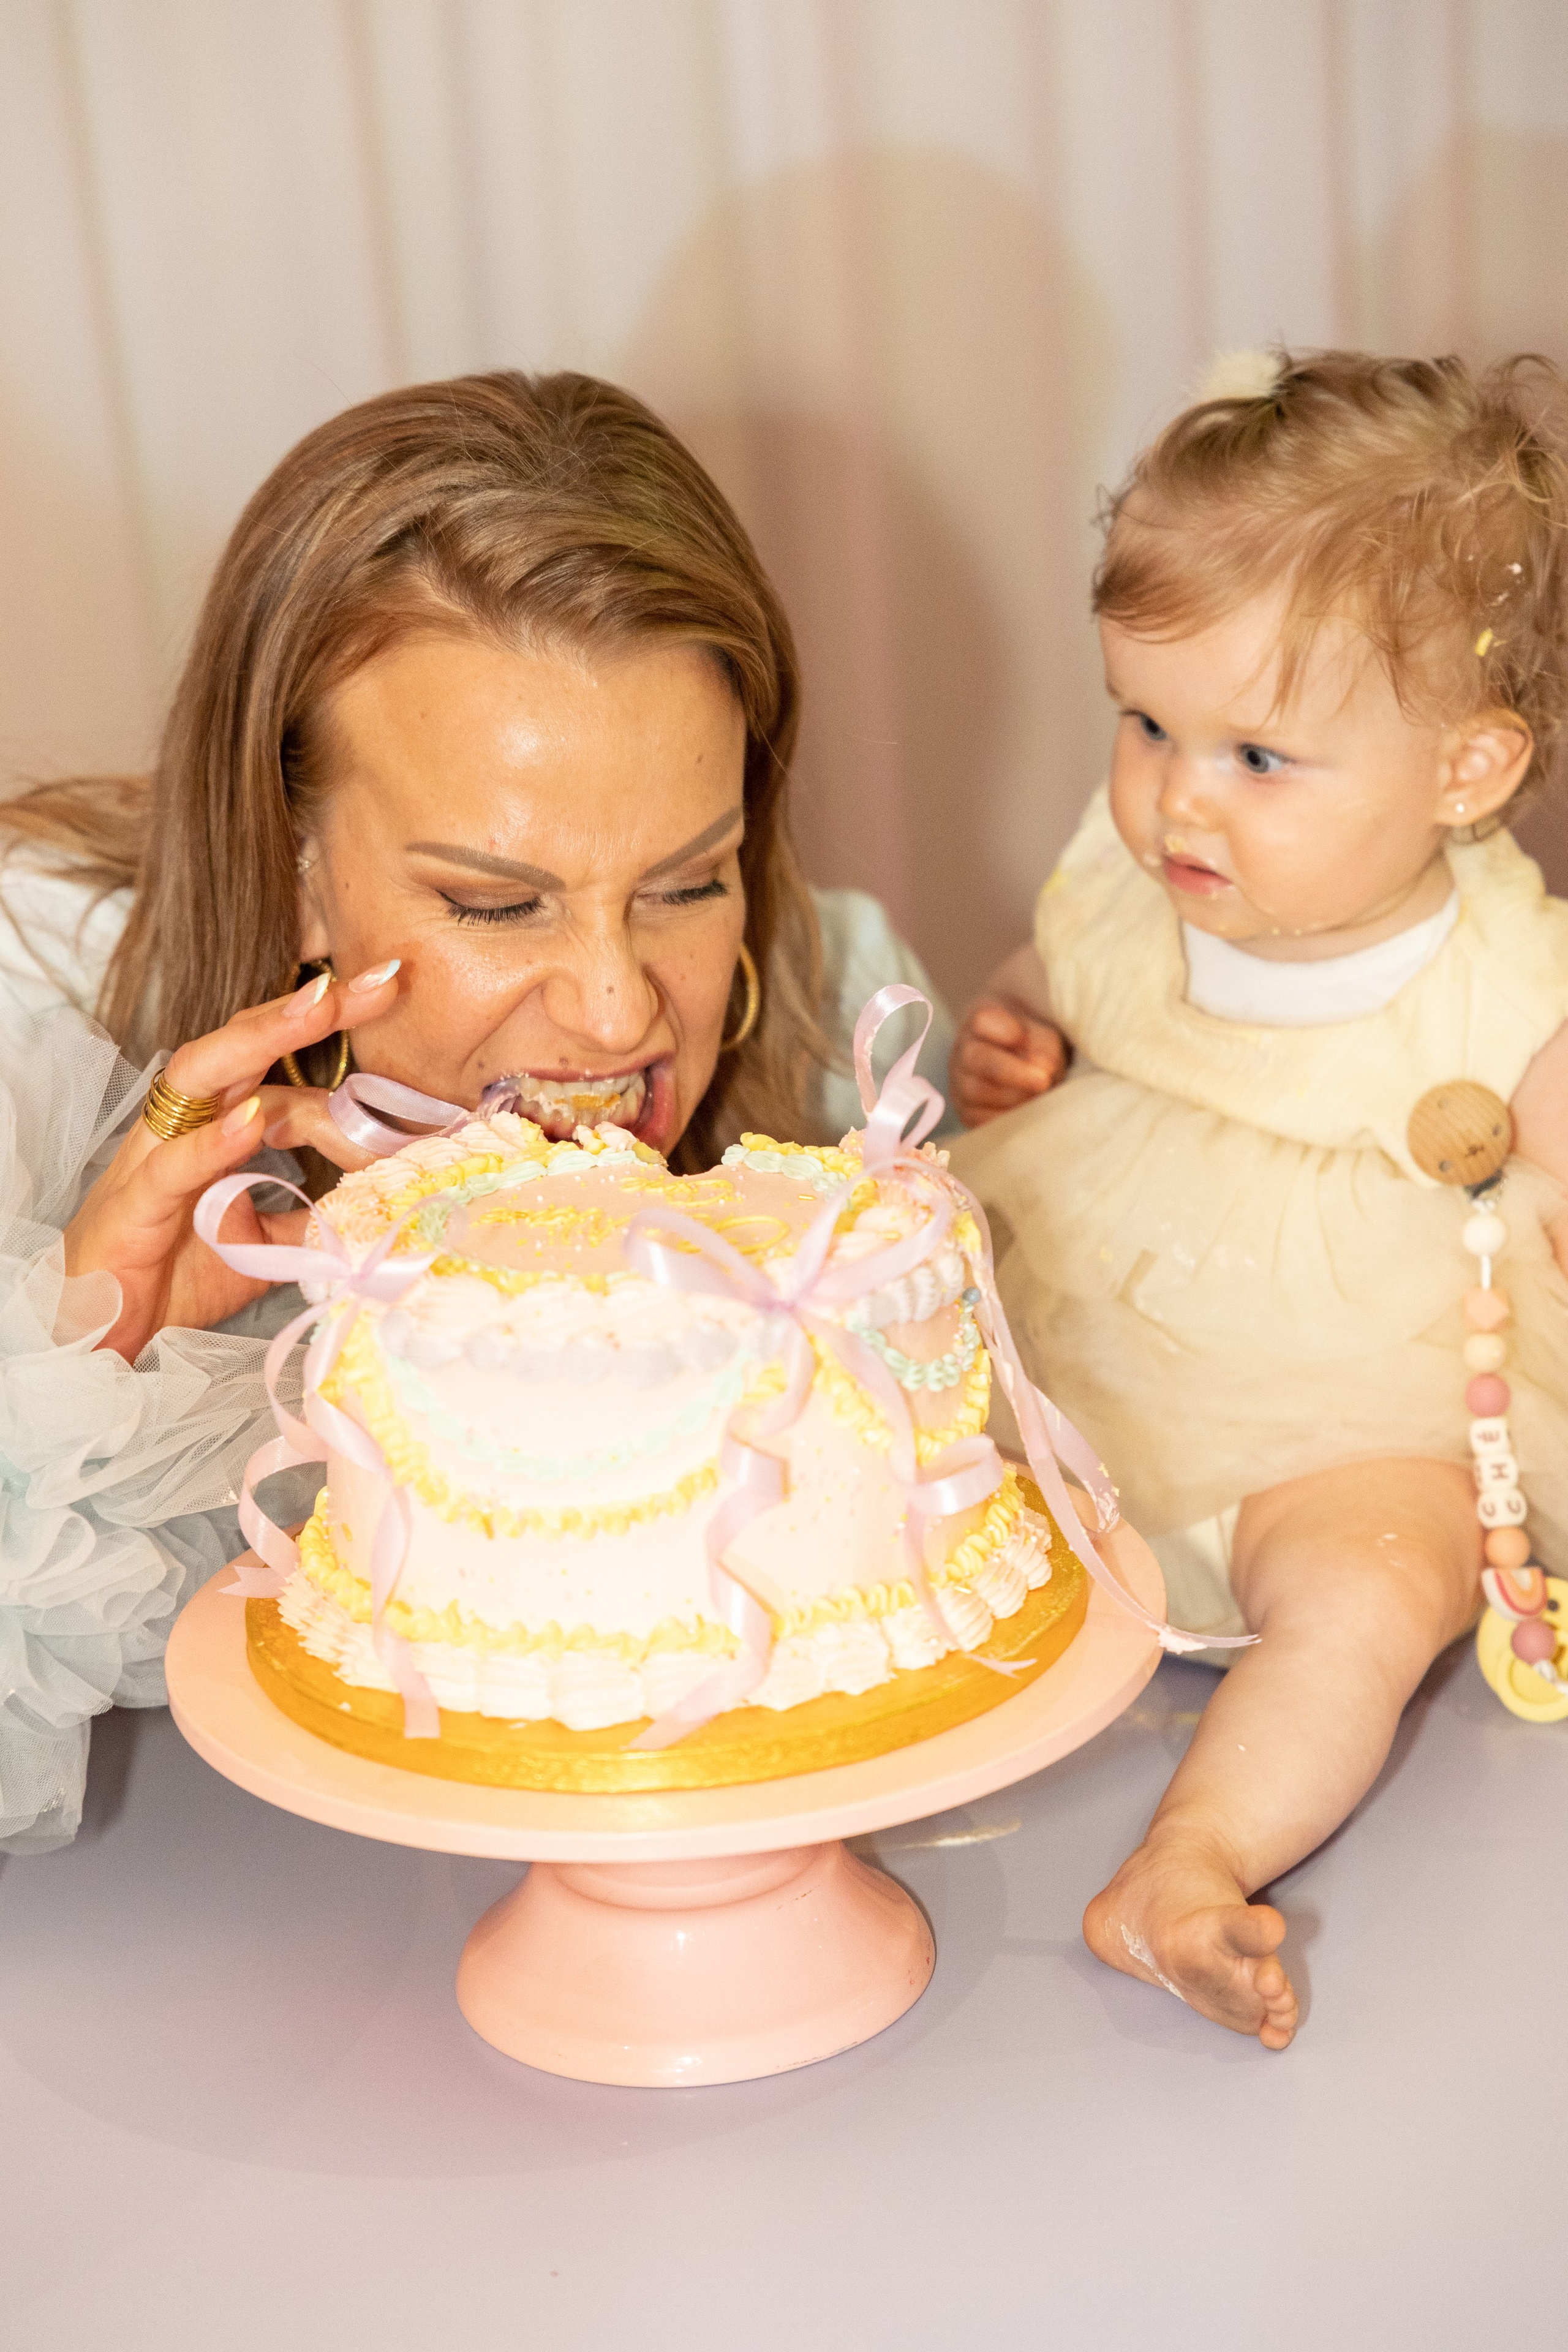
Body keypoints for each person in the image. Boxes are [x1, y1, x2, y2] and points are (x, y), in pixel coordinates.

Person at [0, 370, 951, 1854]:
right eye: (497, 902)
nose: (619, 1009)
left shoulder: (844, 1060)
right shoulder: (26, 1018)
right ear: (290, 860)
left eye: (689, 879)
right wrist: (88, 1358)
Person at [949, 350, 1568, 2051]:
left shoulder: (1520, 993)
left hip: (1350, 1426)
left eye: (1257, 754)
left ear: (1466, 769)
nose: (1175, 796)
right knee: (876, 1389)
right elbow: (1058, 973)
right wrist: (1018, 1033)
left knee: (1373, 1595)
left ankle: (1187, 1863)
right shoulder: (1140, 878)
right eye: (1143, 722)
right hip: (1079, 1360)